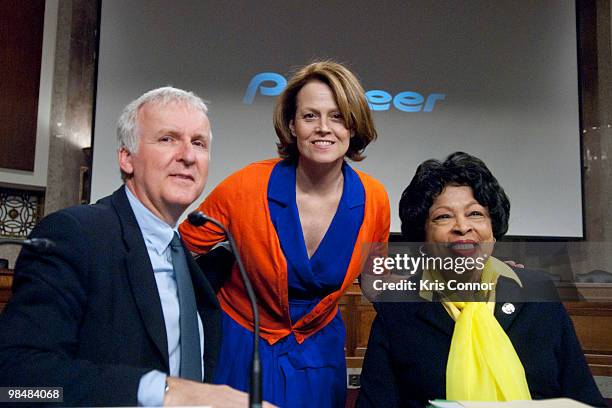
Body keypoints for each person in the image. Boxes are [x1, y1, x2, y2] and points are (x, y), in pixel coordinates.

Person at [0, 87, 253, 407]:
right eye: (168, 139)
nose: (188, 155)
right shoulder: (74, 235)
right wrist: (161, 391)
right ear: (126, 157)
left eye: (199, 143)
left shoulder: (186, 260)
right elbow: (15, 382)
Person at [179, 61, 390, 407]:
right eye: (310, 116)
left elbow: (375, 276)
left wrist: (443, 284)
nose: (324, 128)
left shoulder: (375, 199)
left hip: (319, 352)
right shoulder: (244, 186)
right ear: (292, 125)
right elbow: (180, 250)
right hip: (242, 344)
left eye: (337, 116)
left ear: (353, 125)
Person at [356, 152, 606, 407]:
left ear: (493, 229)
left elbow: (583, 395)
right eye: (443, 216)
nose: (462, 227)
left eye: (475, 213)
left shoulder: (537, 291)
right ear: (423, 237)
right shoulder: (397, 308)